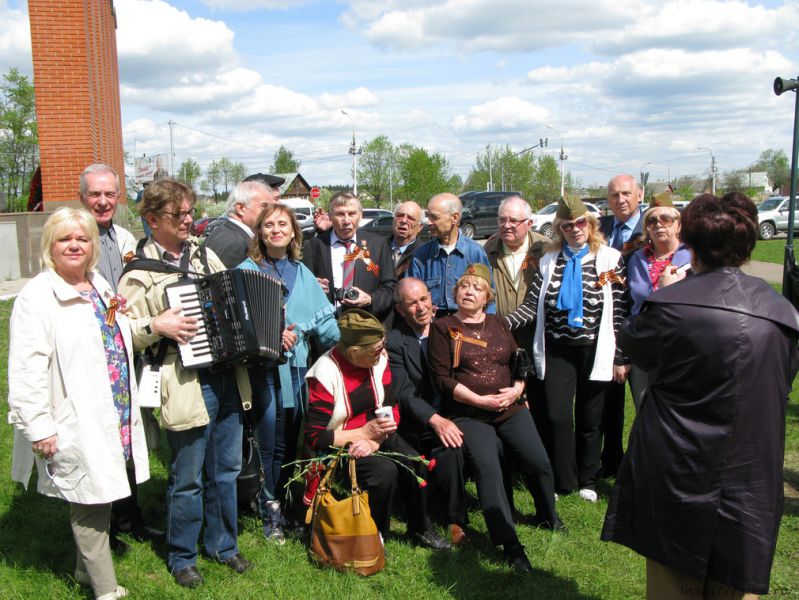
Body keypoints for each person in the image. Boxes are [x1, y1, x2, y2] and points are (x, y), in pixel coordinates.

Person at [602, 193, 799, 599]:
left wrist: (664, 292)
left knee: (674, 582)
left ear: (691, 245)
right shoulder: (782, 312)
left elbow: (634, 342)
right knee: (733, 581)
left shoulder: (671, 303)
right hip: (748, 469)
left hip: (679, 462)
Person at [9, 207, 150, 600]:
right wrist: (39, 427)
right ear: (49, 245)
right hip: (75, 413)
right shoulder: (37, 296)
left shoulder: (97, 284)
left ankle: (83, 571)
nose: (74, 245)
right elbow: (26, 369)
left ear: (92, 246)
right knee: (88, 498)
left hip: (113, 407)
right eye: (64, 239)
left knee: (101, 490)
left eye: (82, 238)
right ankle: (105, 590)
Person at [117, 178, 252, 588]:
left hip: (226, 374)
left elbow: (231, 296)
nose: (189, 220)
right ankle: (182, 556)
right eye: (179, 214)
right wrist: (155, 325)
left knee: (226, 469)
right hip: (183, 378)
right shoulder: (138, 272)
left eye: (190, 212)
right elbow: (122, 332)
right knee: (188, 475)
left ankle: (223, 544)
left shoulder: (205, 255)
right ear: (152, 219)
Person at [428, 264, 562, 573]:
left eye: (477, 288)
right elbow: (441, 379)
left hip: (509, 408)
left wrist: (518, 389)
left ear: (487, 297)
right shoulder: (443, 327)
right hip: (469, 414)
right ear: (455, 292)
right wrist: (479, 400)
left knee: (538, 460)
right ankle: (511, 545)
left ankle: (548, 515)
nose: (469, 292)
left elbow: (519, 360)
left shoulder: (499, 323)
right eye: (464, 286)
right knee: (488, 469)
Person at [506, 197, 628, 501]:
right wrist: (498, 324)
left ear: (590, 224)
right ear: (560, 229)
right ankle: (564, 478)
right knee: (557, 416)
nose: (575, 229)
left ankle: (588, 479)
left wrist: (620, 356)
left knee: (590, 417)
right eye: (567, 225)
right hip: (557, 349)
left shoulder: (610, 259)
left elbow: (618, 311)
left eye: (580, 223)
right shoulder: (549, 260)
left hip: (594, 348)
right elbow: (531, 307)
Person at [237, 203, 339, 543]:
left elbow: (325, 326)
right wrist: (271, 334)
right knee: (268, 441)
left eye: (283, 224)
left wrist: (356, 339)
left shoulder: (302, 272)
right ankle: (269, 507)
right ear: (260, 233)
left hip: (296, 370)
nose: (276, 230)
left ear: (294, 232)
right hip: (262, 372)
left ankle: (287, 501)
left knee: (292, 440)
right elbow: (234, 321)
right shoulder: (245, 271)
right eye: (269, 224)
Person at [304, 309, 447, 550]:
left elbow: (392, 406)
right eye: (376, 350)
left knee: (415, 462)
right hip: (339, 443)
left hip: (375, 434)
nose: (382, 353)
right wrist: (362, 434)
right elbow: (315, 436)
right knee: (383, 472)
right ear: (355, 352)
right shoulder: (325, 373)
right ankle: (375, 533)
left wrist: (374, 440)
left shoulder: (379, 359)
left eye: (382, 346)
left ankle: (420, 528)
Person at [78, 163, 164, 551]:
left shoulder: (123, 236)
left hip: (127, 349)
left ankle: (131, 518)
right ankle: (104, 526)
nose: (103, 201)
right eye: (95, 194)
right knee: (101, 442)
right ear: (82, 197)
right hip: (93, 354)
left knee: (128, 438)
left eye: (109, 194)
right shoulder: (76, 237)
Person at [387, 278, 468, 546]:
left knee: (453, 446)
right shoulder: (394, 341)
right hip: (414, 422)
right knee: (439, 444)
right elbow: (404, 393)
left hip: (451, 413)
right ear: (400, 310)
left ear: (432, 300)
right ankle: (423, 514)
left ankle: (455, 519)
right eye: (412, 303)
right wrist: (436, 421)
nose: (421, 308)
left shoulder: (450, 331)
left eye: (424, 299)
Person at [484, 196, 551, 444]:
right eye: (502, 220)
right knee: (507, 399)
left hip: (538, 337)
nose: (507, 225)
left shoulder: (546, 249)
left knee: (543, 400)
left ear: (529, 223)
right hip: (502, 340)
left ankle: (544, 450)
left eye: (514, 221)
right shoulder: (488, 250)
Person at [625, 193, 690, 410]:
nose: (659, 225)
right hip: (645, 348)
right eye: (652, 221)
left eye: (666, 219)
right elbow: (627, 305)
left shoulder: (694, 258)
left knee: (679, 412)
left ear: (678, 225)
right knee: (645, 410)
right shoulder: (635, 260)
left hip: (682, 349)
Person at [598, 174, 644, 477]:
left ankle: (644, 463)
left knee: (645, 402)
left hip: (639, 325)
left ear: (639, 194)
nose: (620, 199)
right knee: (608, 400)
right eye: (614, 195)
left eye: (626, 193)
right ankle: (612, 459)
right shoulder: (599, 228)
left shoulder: (651, 227)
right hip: (604, 325)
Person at [302, 191, 397, 320]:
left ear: (360, 215)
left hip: (365, 323)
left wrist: (370, 299)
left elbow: (390, 288)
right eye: (340, 214)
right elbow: (301, 290)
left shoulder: (378, 244)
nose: (346, 221)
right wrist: (311, 288)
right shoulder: (313, 246)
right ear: (330, 217)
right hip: (326, 325)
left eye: (352, 214)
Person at [408, 193, 495, 317]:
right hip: (433, 324)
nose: (428, 222)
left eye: (434, 217)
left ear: (454, 218)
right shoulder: (421, 255)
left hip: (467, 322)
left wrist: (488, 324)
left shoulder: (475, 252)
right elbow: (410, 295)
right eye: (428, 216)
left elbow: (489, 297)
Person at [204, 180, 274, 268]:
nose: (270, 212)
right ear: (240, 208)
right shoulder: (237, 245)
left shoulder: (220, 232)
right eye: (264, 206)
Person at [389, 201, 425, 277]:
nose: (404, 221)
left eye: (411, 218)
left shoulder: (424, 254)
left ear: (420, 227)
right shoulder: (379, 247)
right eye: (400, 216)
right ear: (393, 220)